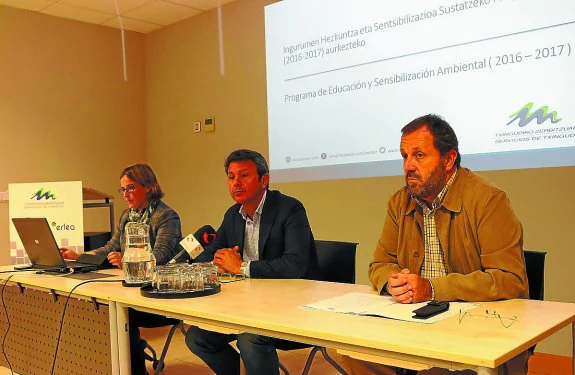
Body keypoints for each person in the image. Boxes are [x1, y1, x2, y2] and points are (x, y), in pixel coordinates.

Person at [344, 114, 529, 375]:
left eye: (419, 155)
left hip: (476, 325)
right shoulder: (399, 202)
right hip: (417, 321)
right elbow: (380, 264)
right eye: (404, 156)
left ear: (449, 159)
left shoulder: (488, 201)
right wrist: (392, 282)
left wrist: (431, 289)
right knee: (355, 352)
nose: (408, 166)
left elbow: (510, 279)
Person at [186, 149, 318, 375]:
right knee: (197, 338)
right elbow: (212, 254)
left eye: (244, 176)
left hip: (288, 304)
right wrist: (204, 265)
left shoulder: (290, 209)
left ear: (264, 180)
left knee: (250, 338)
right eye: (231, 177)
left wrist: (242, 267)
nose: (236, 183)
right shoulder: (232, 215)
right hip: (248, 305)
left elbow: (295, 265)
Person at [61, 163, 182, 375]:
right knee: (103, 311)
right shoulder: (127, 215)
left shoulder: (167, 217)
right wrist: (78, 256)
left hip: (159, 295)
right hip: (130, 290)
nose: (126, 194)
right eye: (123, 189)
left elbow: (161, 257)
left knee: (120, 317)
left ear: (149, 187)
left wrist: (128, 260)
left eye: (131, 188)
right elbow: (110, 247)